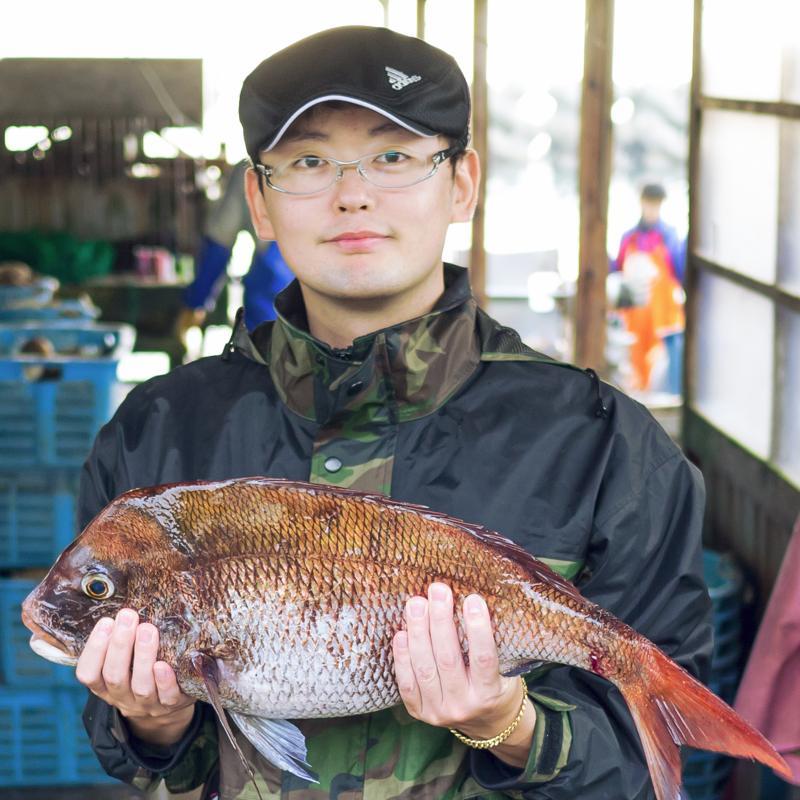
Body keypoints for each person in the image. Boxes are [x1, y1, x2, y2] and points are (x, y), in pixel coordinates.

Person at [75, 26, 711, 800]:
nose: (353, 193)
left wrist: (509, 724)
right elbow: (141, 752)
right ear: (259, 202)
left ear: (463, 183)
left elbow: (643, 772)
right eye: (309, 161)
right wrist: (154, 722)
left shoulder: (605, 444)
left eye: (394, 156)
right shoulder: (156, 433)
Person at [177, 160, 294, 336]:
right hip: (276, 291)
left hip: (272, 292)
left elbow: (219, 242)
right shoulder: (250, 168)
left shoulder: (251, 166)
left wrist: (196, 302)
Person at [609, 184, 686, 395]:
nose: (652, 209)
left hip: (663, 323)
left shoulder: (669, 237)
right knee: (633, 374)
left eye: (656, 205)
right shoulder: (628, 238)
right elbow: (615, 272)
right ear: (641, 203)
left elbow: (681, 274)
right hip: (633, 320)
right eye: (648, 204)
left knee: (661, 374)